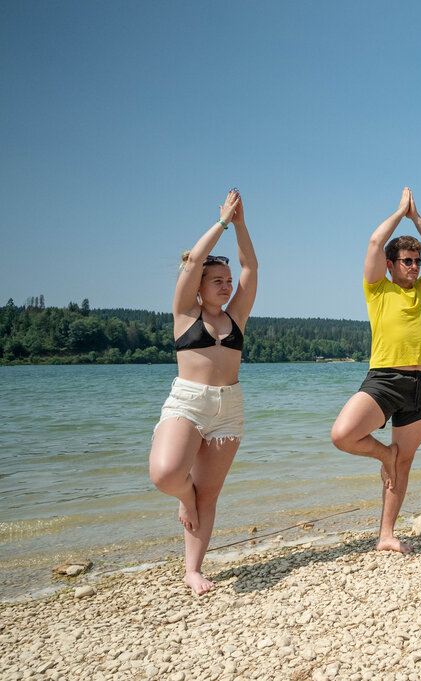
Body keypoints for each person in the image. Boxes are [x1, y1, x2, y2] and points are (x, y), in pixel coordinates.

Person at [149, 189, 258, 595]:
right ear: (198, 287)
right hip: (188, 402)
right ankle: (184, 497)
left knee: (208, 493)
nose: (226, 287)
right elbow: (194, 260)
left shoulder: (237, 315)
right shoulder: (184, 313)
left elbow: (251, 265)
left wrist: (243, 224)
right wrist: (224, 222)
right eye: (218, 281)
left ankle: (192, 570)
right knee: (165, 475)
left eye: (228, 282)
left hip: (229, 408)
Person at [331, 187, 421, 553]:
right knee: (343, 434)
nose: (414, 266)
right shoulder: (377, 290)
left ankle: (386, 535)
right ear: (391, 264)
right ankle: (384, 455)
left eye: (416, 260)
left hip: (420, 384)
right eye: (407, 261)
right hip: (384, 380)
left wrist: (418, 217)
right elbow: (374, 241)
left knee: (405, 463)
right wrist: (400, 212)